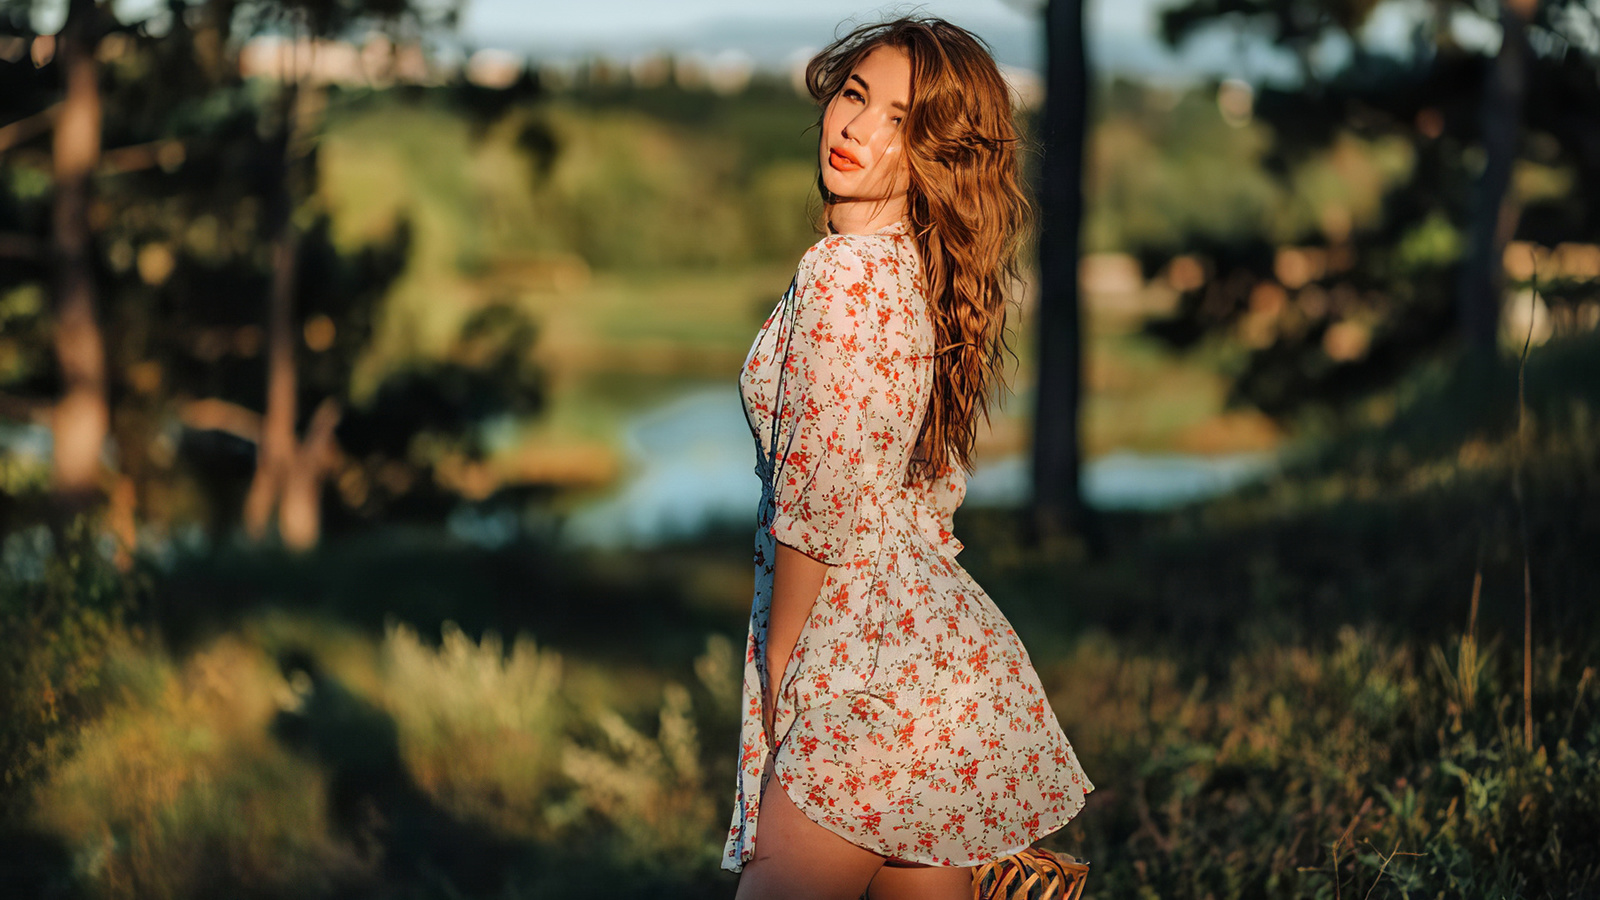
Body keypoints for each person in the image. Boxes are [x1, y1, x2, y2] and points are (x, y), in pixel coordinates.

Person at [725, 17, 1093, 900]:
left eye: (901, 120)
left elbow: (814, 510)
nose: (857, 131)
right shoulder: (914, 271)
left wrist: (781, 679)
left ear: (939, 156)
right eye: (855, 96)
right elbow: (922, 498)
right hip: (942, 668)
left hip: (860, 681)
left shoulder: (844, 277)